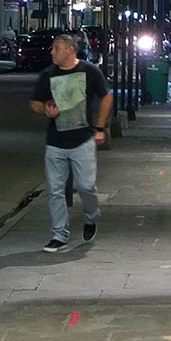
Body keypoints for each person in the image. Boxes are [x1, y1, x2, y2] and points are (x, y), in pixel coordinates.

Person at [29, 32, 112, 253]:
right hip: (55, 142)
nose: (52, 52)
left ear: (70, 50)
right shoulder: (48, 75)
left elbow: (106, 96)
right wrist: (45, 110)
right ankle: (59, 235)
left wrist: (100, 127)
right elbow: (35, 103)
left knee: (86, 187)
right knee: (55, 190)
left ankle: (91, 218)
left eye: (56, 48)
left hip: (83, 140)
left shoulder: (89, 71)